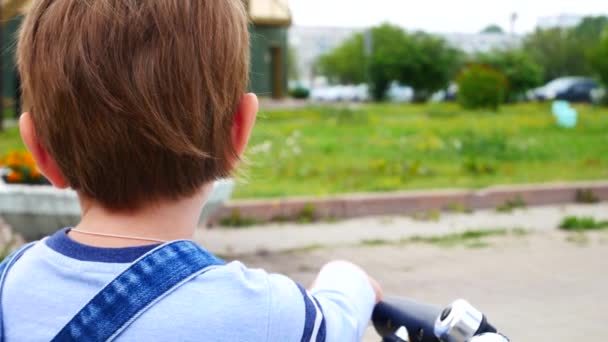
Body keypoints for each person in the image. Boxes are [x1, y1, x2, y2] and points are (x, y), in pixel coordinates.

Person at [0, 1, 382, 341]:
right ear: (239, 132)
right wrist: (347, 276)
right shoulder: (267, 313)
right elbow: (338, 319)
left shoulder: (10, 286)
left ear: (39, 149)